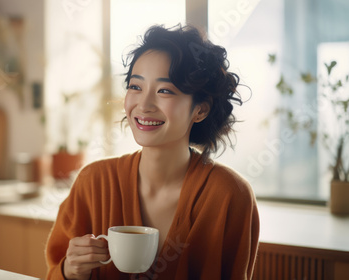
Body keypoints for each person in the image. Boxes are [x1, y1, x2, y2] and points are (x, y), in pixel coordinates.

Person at [45, 24, 260, 280]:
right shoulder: (93, 183)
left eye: (165, 91)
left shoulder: (229, 195)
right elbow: (53, 273)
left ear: (200, 110)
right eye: (135, 87)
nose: (143, 105)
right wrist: (69, 272)